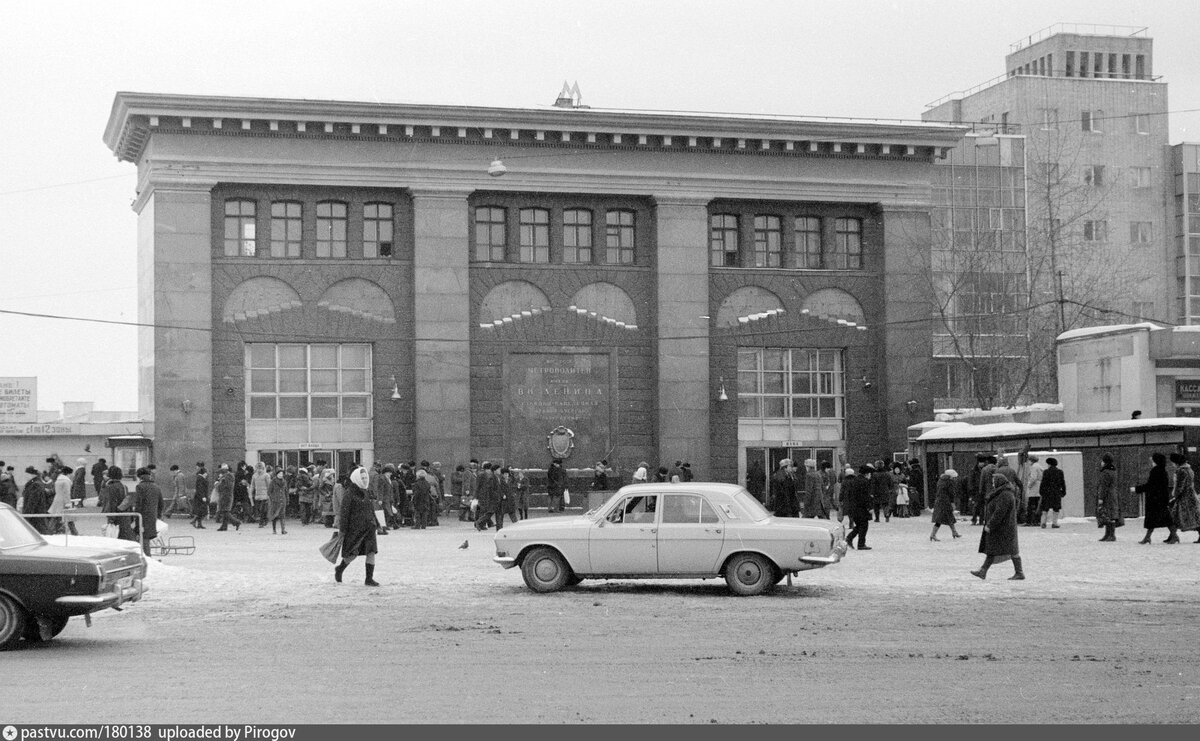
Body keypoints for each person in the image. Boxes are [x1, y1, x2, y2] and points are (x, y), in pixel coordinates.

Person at [971, 470, 1024, 580]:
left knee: (1008, 550)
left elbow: (999, 512)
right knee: (997, 549)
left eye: (994, 481)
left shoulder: (1005, 494)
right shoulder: (1003, 493)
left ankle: (1019, 572)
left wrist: (990, 525)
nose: (993, 483)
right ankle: (983, 571)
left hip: (1003, 528)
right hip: (1004, 527)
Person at [334, 467, 380, 586]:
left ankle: (369, 579)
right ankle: (340, 569)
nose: (365, 480)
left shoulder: (365, 491)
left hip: (369, 528)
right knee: (352, 554)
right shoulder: (349, 494)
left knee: (371, 552)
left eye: (365, 478)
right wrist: (342, 530)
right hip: (355, 530)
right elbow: (344, 514)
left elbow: (370, 510)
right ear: (356, 478)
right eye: (362, 478)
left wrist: (377, 524)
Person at [119, 467, 163, 556]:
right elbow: (161, 503)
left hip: (142, 516)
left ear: (140, 476)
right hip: (152, 516)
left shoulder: (140, 486)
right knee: (146, 536)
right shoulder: (156, 487)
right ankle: (146, 556)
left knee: (142, 537)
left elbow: (139, 503)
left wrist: (135, 516)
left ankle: (146, 557)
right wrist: (158, 515)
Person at [1135, 452, 1177, 544]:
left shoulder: (1155, 471)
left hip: (1155, 499)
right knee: (1161, 519)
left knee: (1159, 519)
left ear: (1156, 461)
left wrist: (1137, 489)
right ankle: (1148, 537)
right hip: (1161, 498)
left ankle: (1173, 536)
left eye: (1153, 460)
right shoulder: (1163, 470)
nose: (1151, 461)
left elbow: (1150, 485)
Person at [1169, 452, 1200, 542]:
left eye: (1173, 462)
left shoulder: (1181, 471)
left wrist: (1175, 495)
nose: (1172, 464)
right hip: (1191, 495)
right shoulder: (1189, 469)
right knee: (1194, 516)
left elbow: (1180, 485)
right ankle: (1173, 536)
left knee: (1175, 516)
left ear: (1176, 462)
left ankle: (1173, 537)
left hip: (1184, 497)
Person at [843, 464, 873, 550]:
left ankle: (850, 539)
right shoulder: (864, 482)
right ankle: (860, 544)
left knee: (860, 525)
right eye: (870, 474)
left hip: (853, 506)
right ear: (866, 474)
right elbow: (865, 496)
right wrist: (869, 507)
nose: (870, 476)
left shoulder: (855, 480)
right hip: (861, 507)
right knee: (863, 525)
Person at [1095, 453, 1123, 542]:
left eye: (1102, 461)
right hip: (1113, 495)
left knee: (1107, 515)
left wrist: (1100, 498)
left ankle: (1110, 535)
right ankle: (1109, 534)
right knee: (1111, 515)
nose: (1101, 463)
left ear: (1105, 462)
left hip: (1107, 496)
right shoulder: (1113, 471)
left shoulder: (1105, 472)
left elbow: (1103, 486)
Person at [929, 468, 962, 541]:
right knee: (942, 519)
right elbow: (951, 493)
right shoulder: (949, 482)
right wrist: (952, 503)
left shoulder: (940, 480)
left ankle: (954, 532)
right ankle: (933, 535)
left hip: (939, 501)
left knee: (948, 517)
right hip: (945, 502)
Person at [101, 466, 131, 539]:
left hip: (115, 514)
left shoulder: (110, 487)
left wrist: (111, 518)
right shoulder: (124, 486)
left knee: (114, 535)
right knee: (124, 536)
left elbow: (111, 502)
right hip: (124, 514)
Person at [21, 465, 52, 534]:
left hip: (35, 518)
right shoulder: (34, 483)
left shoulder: (35, 485)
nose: (25, 476)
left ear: (31, 475)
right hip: (35, 517)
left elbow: (32, 503)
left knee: (38, 535)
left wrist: (26, 517)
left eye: (26, 474)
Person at [51, 465, 79, 535]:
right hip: (64, 501)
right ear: (69, 473)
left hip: (57, 499)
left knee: (56, 517)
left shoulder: (58, 480)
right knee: (69, 517)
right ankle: (74, 532)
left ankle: (51, 531)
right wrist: (68, 503)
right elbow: (67, 493)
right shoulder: (66, 481)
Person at [1039, 457, 1065, 529]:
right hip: (1056, 492)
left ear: (1049, 464)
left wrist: (1041, 491)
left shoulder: (1046, 472)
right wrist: (1063, 491)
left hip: (1047, 493)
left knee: (1045, 509)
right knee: (1056, 509)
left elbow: (1043, 483)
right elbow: (1063, 483)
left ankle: (1043, 523)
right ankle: (1054, 523)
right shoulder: (1060, 472)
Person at [215, 464, 240, 532]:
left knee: (225, 511)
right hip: (225, 495)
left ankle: (236, 522)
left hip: (226, 496)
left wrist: (217, 484)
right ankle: (224, 526)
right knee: (225, 511)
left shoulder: (227, 477)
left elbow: (225, 487)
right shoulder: (227, 476)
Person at [1022, 455, 1044, 526]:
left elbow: (1033, 478)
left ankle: (1029, 521)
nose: (1028, 462)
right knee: (1038, 505)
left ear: (1031, 460)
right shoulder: (1039, 466)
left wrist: (1029, 485)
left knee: (1031, 505)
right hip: (1039, 487)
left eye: (1029, 460)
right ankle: (1037, 521)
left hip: (1034, 489)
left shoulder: (1034, 467)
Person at [267, 467, 288, 534]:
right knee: (275, 516)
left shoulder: (284, 481)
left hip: (283, 501)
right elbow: (269, 492)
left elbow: (286, 491)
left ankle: (283, 529)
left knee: (282, 515)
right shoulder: (273, 481)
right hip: (275, 501)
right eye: (279, 473)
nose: (281, 475)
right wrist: (272, 498)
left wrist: (287, 499)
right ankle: (274, 530)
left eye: (282, 474)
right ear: (276, 474)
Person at [251, 461, 271, 527]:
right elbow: (252, 485)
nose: (259, 470)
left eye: (260, 468)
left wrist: (269, 494)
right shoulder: (254, 476)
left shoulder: (266, 475)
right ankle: (265, 519)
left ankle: (261, 522)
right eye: (257, 468)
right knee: (259, 509)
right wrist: (251, 492)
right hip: (257, 495)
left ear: (263, 468)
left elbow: (269, 485)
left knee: (263, 509)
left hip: (265, 495)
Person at [191, 462, 209, 529]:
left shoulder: (201, 478)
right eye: (206, 473)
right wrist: (203, 497)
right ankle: (195, 521)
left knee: (201, 510)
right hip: (201, 497)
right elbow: (200, 488)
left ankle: (198, 523)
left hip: (200, 496)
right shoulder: (200, 478)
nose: (206, 474)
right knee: (201, 510)